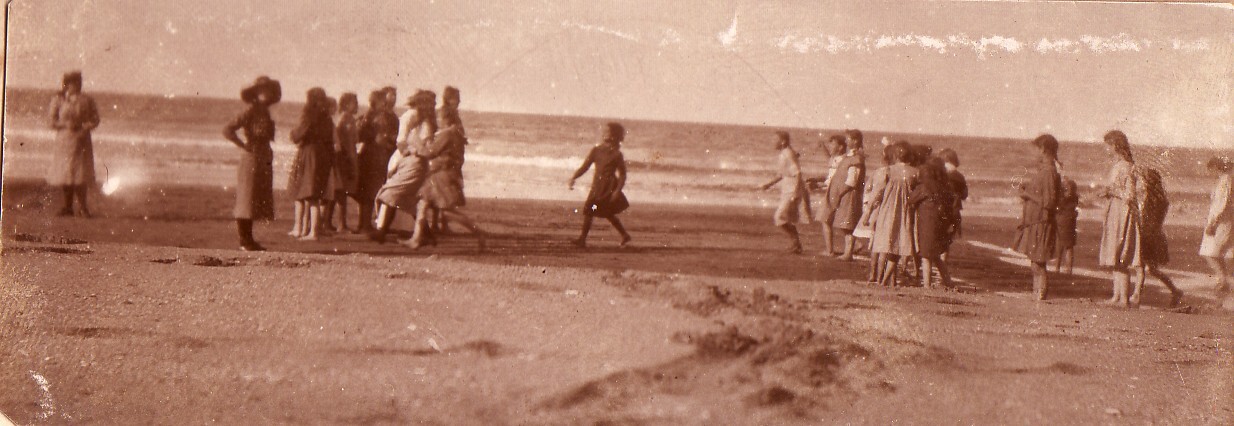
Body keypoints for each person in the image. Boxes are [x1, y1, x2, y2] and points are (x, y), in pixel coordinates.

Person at [413, 86, 485, 251]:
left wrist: (417, 144)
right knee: (423, 203)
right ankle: (416, 239)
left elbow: (430, 152)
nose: (437, 120)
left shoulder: (447, 133)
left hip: (441, 175)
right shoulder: (453, 129)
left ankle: (478, 232)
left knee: (445, 210)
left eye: (439, 118)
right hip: (441, 172)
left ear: (445, 119)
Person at [369, 90, 438, 244]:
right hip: (412, 161)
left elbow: (405, 142)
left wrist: (409, 152)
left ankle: (382, 230)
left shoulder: (419, 119)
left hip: (410, 161)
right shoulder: (421, 119)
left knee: (393, 193)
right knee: (406, 198)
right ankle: (425, 233)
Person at [222, 76, 281, 251]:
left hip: (263, 156)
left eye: (268, 90)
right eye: (262, 90)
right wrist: (243, 145)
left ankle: (249, 240)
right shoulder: (250, 110)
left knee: (256, 198)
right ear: (255, 93)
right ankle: (244, 240)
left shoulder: (264, 111)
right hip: (252, 156)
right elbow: (227, 129)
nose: (266, 93)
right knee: (246, 199)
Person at [1012, 134, 1062, 301]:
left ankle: (1040, 294)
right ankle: (1037, 292)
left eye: (1036, 149)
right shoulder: (1047, 171)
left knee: (1038, 262)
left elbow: (1048, 202)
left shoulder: (1048, 172)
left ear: (1043, 150)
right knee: (1036, 262)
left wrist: (1027, 194)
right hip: (1037, 221)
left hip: (1041, 222)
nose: (1034, 153)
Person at [1096, 130, 1143, 307]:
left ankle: (1123, 298)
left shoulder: (1124, 166)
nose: (1105, 149)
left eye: (1107, 145)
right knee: (1115, 253)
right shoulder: (1120, 165)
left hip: (1122, 213)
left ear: (1115, 145)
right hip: (1116, 211)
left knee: (1120, 253)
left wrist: (1110, 191)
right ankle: (1117, 295)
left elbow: (1130, 195)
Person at [569, 122, 633, 248]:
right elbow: (585, 167)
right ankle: (625, 235)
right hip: (597, 186)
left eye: (607, 132)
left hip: (609, 188)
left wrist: (617, 191)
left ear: (614, 136)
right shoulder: (596, 150)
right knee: (598, 211)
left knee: (591, 210)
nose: (604, 134)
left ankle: (582, 239)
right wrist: (574, 177)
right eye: (604, 131)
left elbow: (623, 175)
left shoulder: (617, 154)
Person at [47, 71, 101, 217]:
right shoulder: (58, 100)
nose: (77, 85)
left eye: (79, 82)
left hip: (82, 140)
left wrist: (85, 127)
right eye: (74, 83)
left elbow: (95, 119)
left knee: (80, 174)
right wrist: (65, 124)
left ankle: (83, 208)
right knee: (66, 174)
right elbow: (51, 121)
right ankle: (67, 207)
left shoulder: (87, 100)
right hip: (64, 140)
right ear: (66, 84)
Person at [286, 88, 336, 241]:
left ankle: (307, 231)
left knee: (306, 193)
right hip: (323, 156)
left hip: (308, 153)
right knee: (313, 193)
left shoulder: (309, 115)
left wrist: (293, 134)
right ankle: (307, 230)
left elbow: (297, 135)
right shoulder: (327, 119)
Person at [1131, 166, 1182, 307]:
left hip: (1149, 234)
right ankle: (1175, 290)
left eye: (1144, 179)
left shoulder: (1152, 199)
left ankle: (1136, 296)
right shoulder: (1160, 198)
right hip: (1155, 234)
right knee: (1150, 269)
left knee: (1141, 266)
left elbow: (1148, 219)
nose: (1142, 182)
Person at [869, 141, 919, 286]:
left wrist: (868, 212)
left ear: (895, 156)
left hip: (887, 211)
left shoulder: (887, 171)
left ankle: (880, 279)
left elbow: (877, 193)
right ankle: (890, 280)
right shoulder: (915, 172)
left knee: (884, 246)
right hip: (905, 212)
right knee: (897, 245)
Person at [353, 88, 400, 234]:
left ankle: (363, 223)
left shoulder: (366, 116)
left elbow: (359, 134)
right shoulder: (380, 117)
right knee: (370, 191)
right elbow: (382, 138)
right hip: (376, 156)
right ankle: (366, 224)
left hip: (367, 154)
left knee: (366, 192)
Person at [760, 131, 811, 254]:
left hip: (792, 189)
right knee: (784, 218)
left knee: (780, 217)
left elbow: (798, 173)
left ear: (782, 141)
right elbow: (781, 174)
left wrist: (795, 192)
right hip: (787, 189)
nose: (772, 142)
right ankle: (796, 244)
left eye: (775, 139)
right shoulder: (785, 153)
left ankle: (796, 243)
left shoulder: (787, 154)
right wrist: (768, 184)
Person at [909, 157, 955, 288]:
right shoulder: (944, 186)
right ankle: (948, 282)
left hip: (927, 225)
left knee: (926, 256)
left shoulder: (924, 187)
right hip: (940, 225)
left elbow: (911, 200)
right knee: (935, 256)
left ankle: (927, 285)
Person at [822, 130, 866, 260]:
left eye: (848, 139)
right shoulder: (852, 156)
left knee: (848, 224)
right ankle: (848, 252)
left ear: (855, 141)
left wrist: (839, 193)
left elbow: (852, 181)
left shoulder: (856, 158)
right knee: (845, 223)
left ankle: (848, 254)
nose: (846, 141)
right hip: (846, 193)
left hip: (849, 194)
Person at [859, 139, 894, 283]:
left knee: (874, 243)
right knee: (886, 245)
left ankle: (873, 274)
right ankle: (881, 277)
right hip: (889, 211)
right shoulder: (895, 174)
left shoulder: (878, 172)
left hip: (876, 210)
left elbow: (868, 190)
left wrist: (867, 210)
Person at [325, 92, 360, 232]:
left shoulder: (346, 118)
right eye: (354, 102)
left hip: (343, 156)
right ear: (347, 104)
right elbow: (346, 140)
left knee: (338, 192)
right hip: (345, 158)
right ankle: (340, 224)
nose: (356, 105)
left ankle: (328, 222)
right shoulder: (346, 118)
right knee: (341, 192)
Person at [1200, 157, 1234, 294]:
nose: (1210, 173)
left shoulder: (1226, 180)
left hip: (1222, 221)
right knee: (1220, 252)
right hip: (1221, 220)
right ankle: (1224, 281)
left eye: (1210, 170)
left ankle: (1223, 280)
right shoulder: (1223, 180)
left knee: (1212, 253)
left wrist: (1213, 223)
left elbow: (1223, 204)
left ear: (1215, 168)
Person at [937, 148, 968, 243]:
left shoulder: (939, 173)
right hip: (955, 208)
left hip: (941, 207)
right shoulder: (959, 176)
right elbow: (964, 195)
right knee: (950, 237)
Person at [1054, 178, 1079, 275]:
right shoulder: (1075, 198)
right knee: (1069, 247)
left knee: (1060, 245)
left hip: (1061, 221)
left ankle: (1057, 267)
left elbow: (1058, 207)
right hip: (1071, 221)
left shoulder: (1061, 199)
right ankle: (1069, 268)